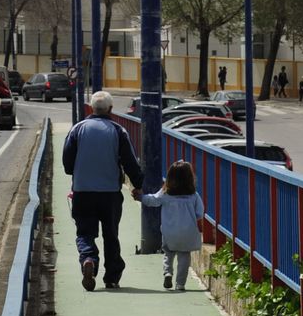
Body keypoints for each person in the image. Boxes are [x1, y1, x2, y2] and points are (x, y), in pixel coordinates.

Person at [61, 91, 143, 291]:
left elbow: (67, 163)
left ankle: (88, 258)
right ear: (111, 109)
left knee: (85, 232)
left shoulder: (77, 129)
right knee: (111, 235)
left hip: (82, 191)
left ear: (91, 108)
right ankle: (112, 277)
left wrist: (78, 172)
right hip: (110, 194)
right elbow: (129, 161)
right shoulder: (118, 130)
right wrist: (138, 184)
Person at [139, 160, 204, 291]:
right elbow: (200, 213)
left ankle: (168, 272)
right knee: (184, 256)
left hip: (170, 232)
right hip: (188, 232)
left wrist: (141, 197)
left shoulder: (166, 194)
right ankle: (180, 284)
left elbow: (153, 200)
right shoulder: (194, 196)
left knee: (168, 252)